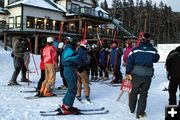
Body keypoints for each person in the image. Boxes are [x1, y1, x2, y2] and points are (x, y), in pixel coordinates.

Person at [126, 33, 160, 119]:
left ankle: (132, 108)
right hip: (147, 75)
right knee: (143, 94)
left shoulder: (135, 50)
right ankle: (140, 113)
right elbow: (156, 59)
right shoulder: (153, 50)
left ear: (141, 40)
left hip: (137, 74)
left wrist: (128, 72)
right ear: (149, 40)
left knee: (134, 91)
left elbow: (129, 61)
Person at [60, 36, 81, 114]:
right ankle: (67, 106)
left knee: (71, 88)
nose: (77, 44)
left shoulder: (69, 48)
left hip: (69, 69)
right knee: (72, 88)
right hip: (69, 69)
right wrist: (78, 56)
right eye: (76, 42)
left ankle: (66, 104)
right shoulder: (69, 49)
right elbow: (67, 59)